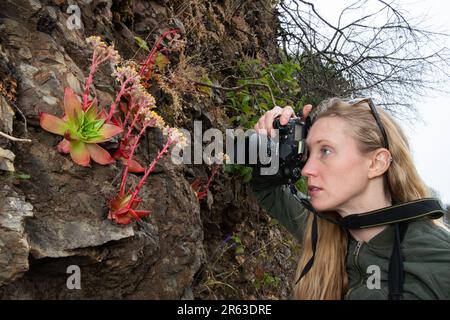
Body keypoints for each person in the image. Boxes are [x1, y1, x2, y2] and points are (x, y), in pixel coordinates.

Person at [251, 98, 450, 300]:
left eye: (326, 151)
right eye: (309, 154)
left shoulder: (439, 258)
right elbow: (269, 189)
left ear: (376, 163)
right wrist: (282, 140)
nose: (307, 170)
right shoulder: (324, 229)